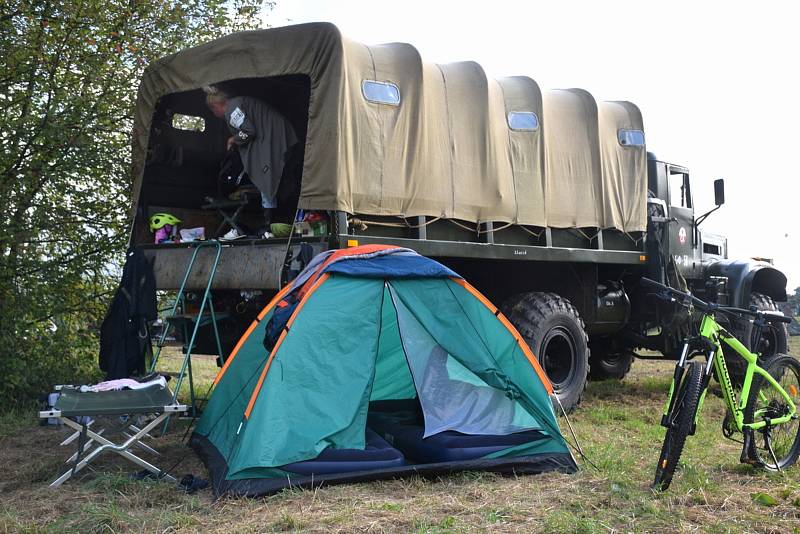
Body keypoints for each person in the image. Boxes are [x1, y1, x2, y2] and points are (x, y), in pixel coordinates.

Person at [205, 87, 298, 238]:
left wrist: (233, 139)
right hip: (283, 138)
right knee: (276, 180)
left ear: (215, 107)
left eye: (213, 112)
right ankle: (275, 224)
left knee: (265, 179)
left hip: (276, 141)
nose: (215, 115)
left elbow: (248, 130)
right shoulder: (240, 102)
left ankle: (269, 226)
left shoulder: (232, 109)